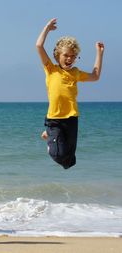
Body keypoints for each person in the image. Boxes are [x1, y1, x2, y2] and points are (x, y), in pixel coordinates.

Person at [36, 18, 104, 169]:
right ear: (57, 55)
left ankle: (50, 137)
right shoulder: (51, 69)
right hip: (54, 119)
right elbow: (39, 46)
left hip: (72, 118)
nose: (69, 59)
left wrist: (99, 53)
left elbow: (95, 76)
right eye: (66, 55)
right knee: (58, 154)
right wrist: (47, 28)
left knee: (69, 160)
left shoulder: (75, 73)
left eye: (73, 56)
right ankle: (49, 138)